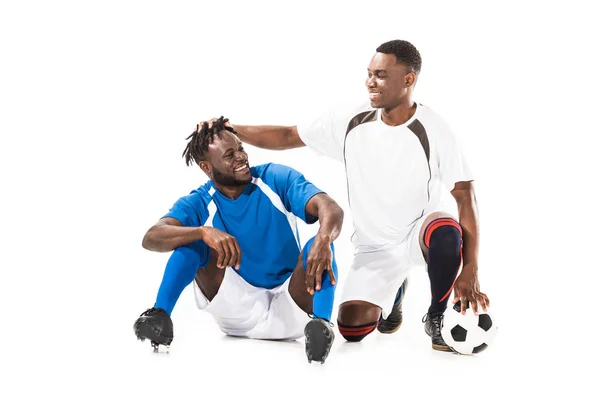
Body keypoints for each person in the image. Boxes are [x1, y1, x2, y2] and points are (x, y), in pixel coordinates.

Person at [203, 40, 490, 351]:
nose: (370, 82)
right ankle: (394, 292)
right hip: (374, 249)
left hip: (420, 236)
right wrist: (229, 127)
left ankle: (436, 317)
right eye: (369, 73)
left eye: (381, 75)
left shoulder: (433, 128)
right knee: (352, 328)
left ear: (409, 79)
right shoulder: (352, 119)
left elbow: (464, 195)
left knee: (445, 230)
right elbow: (288, 135)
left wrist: (471, 266)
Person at [133, 117, 345, 363]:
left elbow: (329, 207)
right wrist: (202, 231)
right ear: (206, 167)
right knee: (193, 243)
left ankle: (320, 327)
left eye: (241, 149)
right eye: (229, 155)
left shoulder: (273, 178)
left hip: (293, 307)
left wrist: (324, 238)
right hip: (237, 309)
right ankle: (159, 316)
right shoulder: (201, 200)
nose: (242, 158)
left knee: (318, 246)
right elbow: (152, 237)